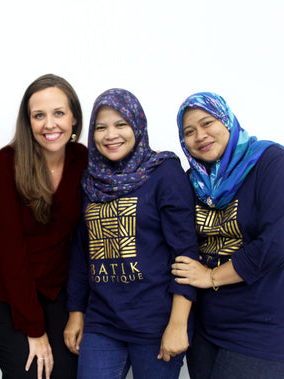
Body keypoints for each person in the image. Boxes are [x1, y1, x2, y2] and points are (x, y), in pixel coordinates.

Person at [65, 88, 199, 379]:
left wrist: (178, 324)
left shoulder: (163, 171)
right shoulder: (89, 181)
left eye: (120, 124)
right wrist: (76, 312)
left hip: (157, 322)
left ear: (137, 125)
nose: (110, 134)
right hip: (103, 321)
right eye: (101, 127)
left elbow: (185, 251)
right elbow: (81, 251)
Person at [0, 73, 87, 379]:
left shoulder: (84, 161)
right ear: (27, 121)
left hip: (51, 286)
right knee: (31, 373)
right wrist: (35, 330)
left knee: (68, 372)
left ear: (74, 118)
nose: (50, 124)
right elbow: (10, 254)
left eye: (59, 113)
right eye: (39, 115)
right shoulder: (5, 165)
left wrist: (76, 310)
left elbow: (80, 242)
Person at [172, 92, 284, 379]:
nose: (199, 136)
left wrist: (210, 276)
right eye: (189, 132)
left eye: (207, 123)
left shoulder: (272, 163)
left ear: (227, 121)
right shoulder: (195, 181)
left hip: (262, 329)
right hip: (208, 327)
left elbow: (278, 244)